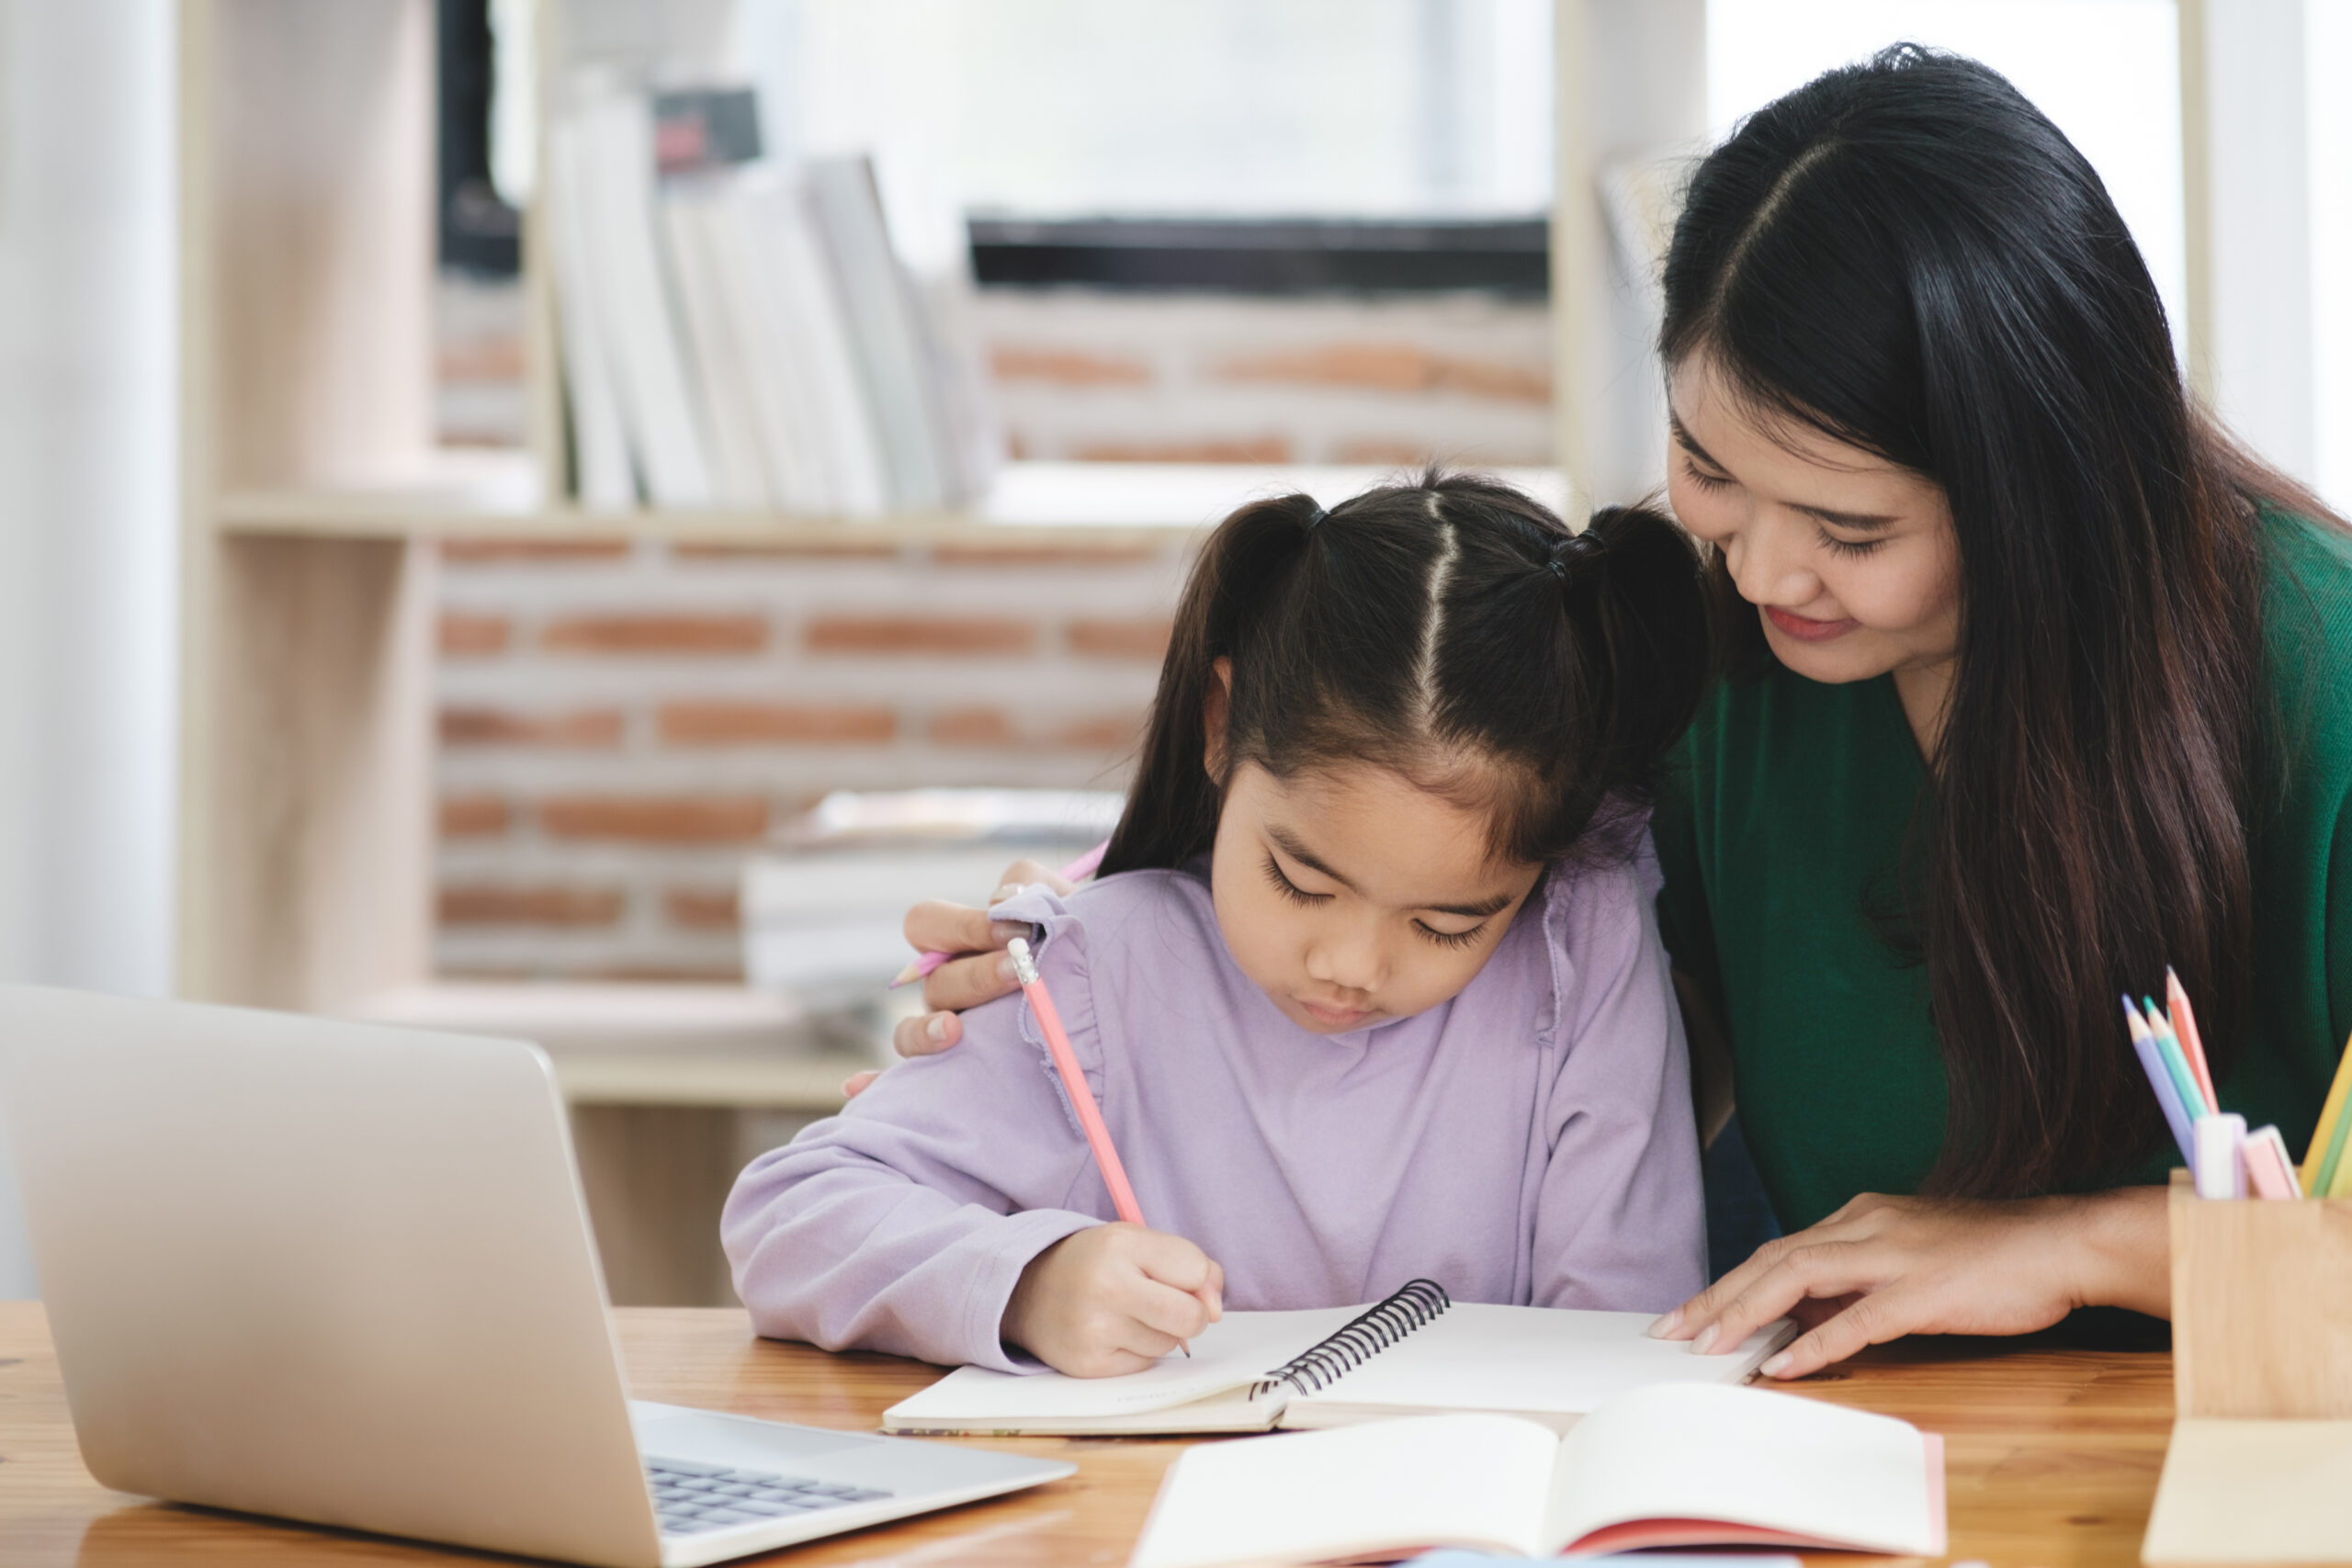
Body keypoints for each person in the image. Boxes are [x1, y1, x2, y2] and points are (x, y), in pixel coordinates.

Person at [878, 48, 2352, 1382]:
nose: (1767, 568)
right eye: (1710, 463)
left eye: (1850, 524)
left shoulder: (2317, 675)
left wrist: (2070, 1244)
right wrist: (1094, 941)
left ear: (2042, 488)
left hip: (2254, 1448)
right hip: (1827, 1436)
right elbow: (1446, 854)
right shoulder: (1687, 637)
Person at [723, 476, 1714, 1377]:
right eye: (1298, 881)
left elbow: (1630, 1335)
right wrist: (1027, 1284)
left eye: (1449, 924)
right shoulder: (1096, 970)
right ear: (1218, 725)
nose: (1350, 965)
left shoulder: (1580, 950)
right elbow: (788, 1215)